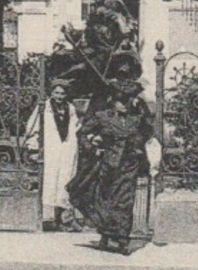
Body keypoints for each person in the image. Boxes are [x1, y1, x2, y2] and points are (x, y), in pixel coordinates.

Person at [67, 94, 162, 255]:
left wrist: (142, 107)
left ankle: (123, 239)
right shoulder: (103, 117)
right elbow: (82, 133)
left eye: (128, 100)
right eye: (121, 101)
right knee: (106, 201)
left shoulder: (136, 118)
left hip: (129, 166)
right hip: (109, 166)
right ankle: (106, 234)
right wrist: (92, 148)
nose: (125, 104)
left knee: (125, 201)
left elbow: (149, 131)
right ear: (112, 102)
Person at [25, 80, 81, 230]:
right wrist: (33, 148)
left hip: (67, 150)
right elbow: (33, 127)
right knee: (49, 182)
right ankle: (46, 219)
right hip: (51, 150)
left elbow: (76, 128)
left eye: (62, 94)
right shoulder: (43, 108)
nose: (59, 97)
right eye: (56, 93)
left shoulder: (70, 108)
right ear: (51, 93)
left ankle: (65, 219)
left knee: (65, 182)